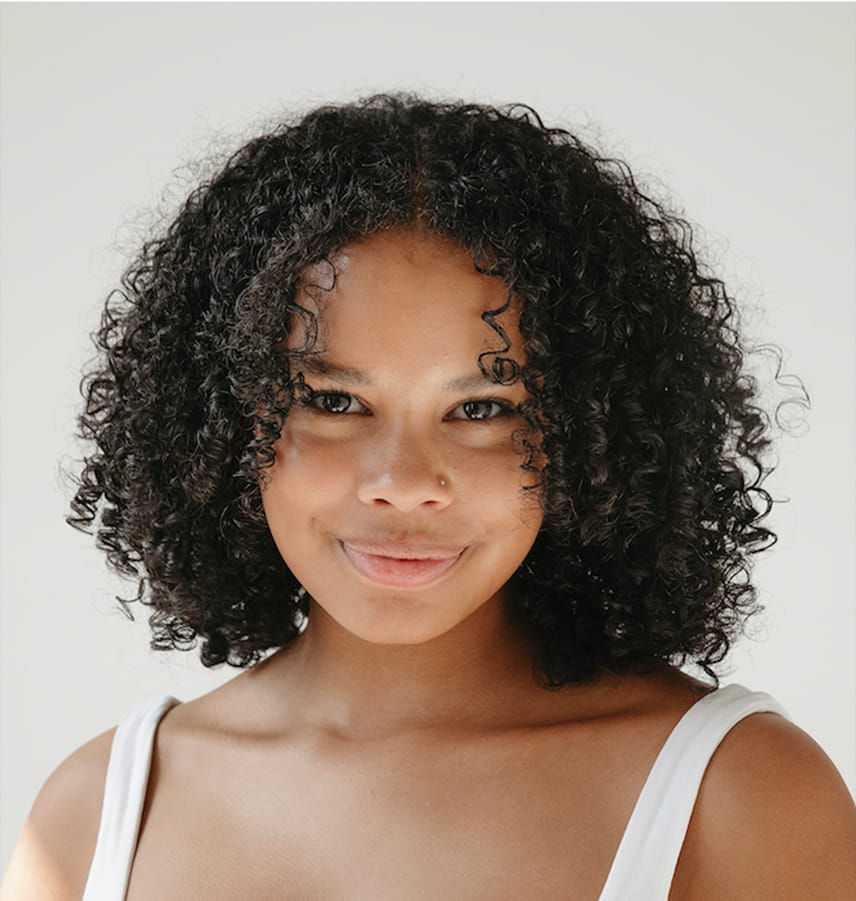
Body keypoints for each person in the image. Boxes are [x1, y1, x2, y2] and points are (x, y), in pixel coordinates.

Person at [2, 94, 855, 900]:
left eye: (481, 409)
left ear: (593, 432)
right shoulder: (93, 817)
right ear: (220, 417)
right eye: (334, 401)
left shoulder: (739, 796)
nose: (403, 481)